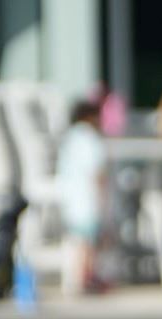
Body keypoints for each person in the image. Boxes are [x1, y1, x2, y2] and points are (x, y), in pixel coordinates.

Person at [55, 97, 109, 295]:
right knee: (86, 241)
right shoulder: (89, 138)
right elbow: (97, 171)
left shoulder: (70, 138)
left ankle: (80, 278)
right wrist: (104, 198)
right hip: (87, 197)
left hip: (69, 198)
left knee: (79, 240)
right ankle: (85, 279)